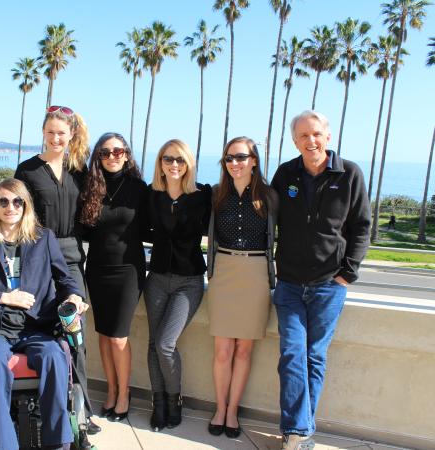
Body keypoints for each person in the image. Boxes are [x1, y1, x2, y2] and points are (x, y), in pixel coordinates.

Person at [0, 178, 88, 450]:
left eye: (17, 201)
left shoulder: (43, 239)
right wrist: (3, 297)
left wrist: (75, 295)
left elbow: (64, 278)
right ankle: (4, 445)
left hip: (37, 326)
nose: (10, 207)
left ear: (26, 205)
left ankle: (58, 443)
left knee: (54, 356)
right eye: (3, 201)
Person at [271, 110, 370, 450]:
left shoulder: (350, 174)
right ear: (294, 140)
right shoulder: (286, 174)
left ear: (327, 136)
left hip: (330, 284)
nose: (310, 141)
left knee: (314, 355)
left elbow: (361, 227)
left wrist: (348, 272)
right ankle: (299, 432)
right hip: (289, 284)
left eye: (315, 134)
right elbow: (268, 217)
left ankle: (297, 434)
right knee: (293, 352)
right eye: (302, 136)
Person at [14, 106, 100, 435]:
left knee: (75, 331)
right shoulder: (27, 170)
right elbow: (19, 217)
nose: (55, 138)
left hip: (72, 257)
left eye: (61, 132)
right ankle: (39, 399)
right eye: (50, 132)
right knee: (38, 326)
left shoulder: (79, 169)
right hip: (37, 255)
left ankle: (82, 412)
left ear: (71, 135)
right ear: (43, 132)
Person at [206, 137, 278, 440]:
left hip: (256, 272)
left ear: (254, 160)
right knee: (222, 351)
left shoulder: (270, 196)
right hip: (223, 271)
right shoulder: (215, 194)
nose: (234, 163)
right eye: (229, 158)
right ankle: (220, 409)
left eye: (241, 157)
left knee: (244, 350)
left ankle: (233, 411)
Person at [79, 132, 148, 422]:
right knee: (104, 336)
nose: (112, 156)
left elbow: (152, 227)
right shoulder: (91, 187)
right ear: (98, 157)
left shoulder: (139, 188)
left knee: (118, 336)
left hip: (128, 271)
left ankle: (124, 394)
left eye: (118, 151)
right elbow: (83, 230)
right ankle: (110, 390)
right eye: (105, 152)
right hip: (97, 270)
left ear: (127, 155)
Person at [144, 139, 211, 431]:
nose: (174, 165)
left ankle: (175, 399)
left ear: (188, 164)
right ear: (160, 162)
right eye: (168, 159)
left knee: (164, 343)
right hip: (156, 278)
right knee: (152, 343)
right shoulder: (151, 196)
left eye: (180, 160)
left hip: (189, 281)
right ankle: (158, 403)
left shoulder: (202, 196)